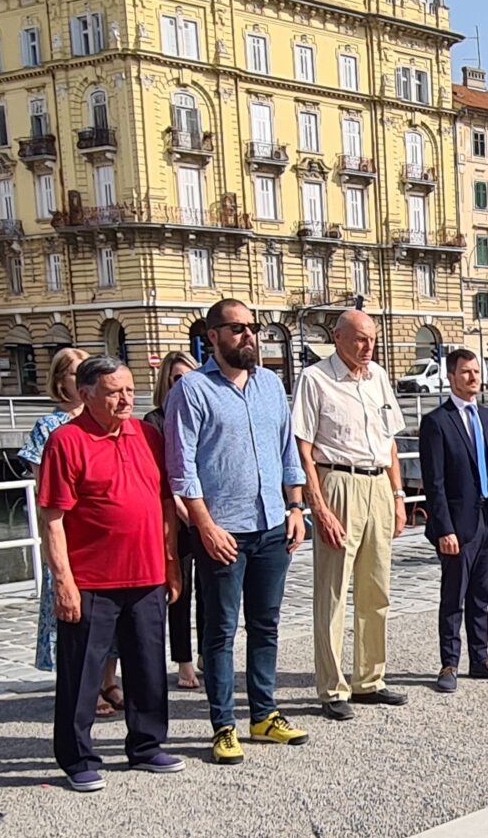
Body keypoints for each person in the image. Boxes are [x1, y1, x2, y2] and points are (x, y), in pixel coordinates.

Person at [167, 298, 311, 765]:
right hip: (223, 530)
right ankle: (223, 724)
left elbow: (288, 450)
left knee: (266, 625)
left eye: (253, 328)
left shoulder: (270, 384)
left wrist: (295, 507)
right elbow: (181, 466)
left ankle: (264, 714)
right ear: (213, 336)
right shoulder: (191, 389)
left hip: (272, 524)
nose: (249, 336)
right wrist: (204, 524)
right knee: (221, 630)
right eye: (237, 329)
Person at [38, 356, 185, 792]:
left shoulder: (147, 435)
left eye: (128, 389)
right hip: (92, 579)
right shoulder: (66, 441)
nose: (125, 399)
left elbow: (163, 506)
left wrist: (171, 564)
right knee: (82, 671)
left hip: (147, 573)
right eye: (113, 392)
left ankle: (146, 744)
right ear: (85, 395)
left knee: (147, 665)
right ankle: (77, 755)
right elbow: (52, 519)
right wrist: (63, 581)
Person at [293, 310, 410, 719]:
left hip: (378, 482)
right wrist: (318, 506)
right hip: (338, 481)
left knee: (376, 588)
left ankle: (369, 678)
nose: (368, 347)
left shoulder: (377, 377)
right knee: (333, 590)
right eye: (360, 339)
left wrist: (398, 495)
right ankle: (332, 687)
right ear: (338, 338)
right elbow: (303, 450)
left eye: (372, 339)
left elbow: (390, 441)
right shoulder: (315, 379)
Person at [22, 348, 122, 718]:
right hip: (73, 532)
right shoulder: (51, 428)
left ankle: (109, 681)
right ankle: (87, 687)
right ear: (63, 380)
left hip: (109, 540)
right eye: (76, 373)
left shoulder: (112, 422)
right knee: (77, 616)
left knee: (113, 617)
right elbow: (46, 490)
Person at [418, 348, 488, 691]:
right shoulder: (436, 422)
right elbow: (435, 483)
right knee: (453, 597)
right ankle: (449, 665)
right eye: (466, 372)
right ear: (451, 376)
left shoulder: (487, 417)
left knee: (481, 594)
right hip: (457, 527)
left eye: (476, 372)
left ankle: (481, 658)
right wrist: (443, 527)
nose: (473, 377)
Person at [144, 350, 200, 691]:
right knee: (180, 590)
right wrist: (186, 512)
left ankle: (209, 652)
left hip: (207, 513)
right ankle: (184, 661)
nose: (183, 384)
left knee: (210, 592)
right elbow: (162, 475)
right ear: (166, 381)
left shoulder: (199, 413)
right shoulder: (155, 420)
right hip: (175, 518)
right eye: (176, 378)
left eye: (187, 377)